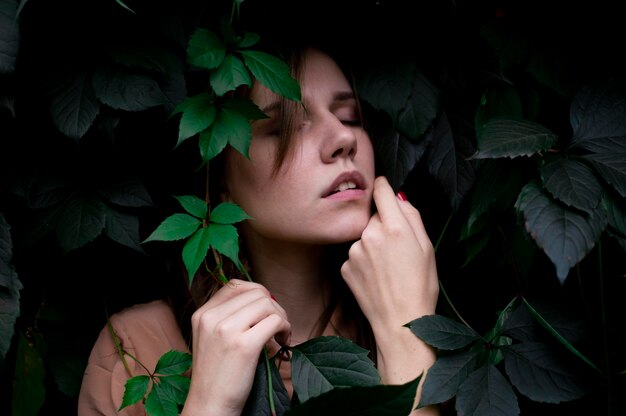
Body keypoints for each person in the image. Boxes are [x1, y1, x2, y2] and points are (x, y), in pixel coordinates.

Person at [77, 44, 440, 415]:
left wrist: (407, 334)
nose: (344, 140)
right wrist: (209, 403)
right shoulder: (139, 348)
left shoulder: (436, 329)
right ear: (219, 182)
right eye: (284, 128)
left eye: (349, 117)